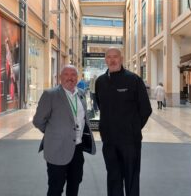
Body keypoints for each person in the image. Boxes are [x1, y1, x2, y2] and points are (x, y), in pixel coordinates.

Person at [95, 48, 152, 196]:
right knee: (113, 177)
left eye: (115, 57)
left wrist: (132, 129)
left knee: (131, 179)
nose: (112, 60)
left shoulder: (133, 80)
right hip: (109, 141)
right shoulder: (100, 82)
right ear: (105, 60)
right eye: (109, 57)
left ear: (121, 59)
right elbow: (101, 106)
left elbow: (146, 109)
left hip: (129, 142)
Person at [33, 65, 96, 196]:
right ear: (60, 77)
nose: (70, 78)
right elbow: (38, 121)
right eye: (66, 74)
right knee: (56, 188)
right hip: (57, 149)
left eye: (73, 75)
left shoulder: (81, 94)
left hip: (77, 149)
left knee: (75, 184)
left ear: (77, 78)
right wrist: (53, 133)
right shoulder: (50, 95)